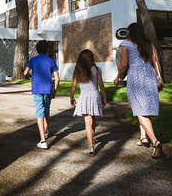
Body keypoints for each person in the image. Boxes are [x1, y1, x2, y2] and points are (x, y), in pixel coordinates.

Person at [113, 23, 163, 158]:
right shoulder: (149, 44)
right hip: (149, 76)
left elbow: (124, 64)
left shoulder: (126, 44)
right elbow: (156, 61)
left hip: (135, 77)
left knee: (140, 111)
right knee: (142, 109)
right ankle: (143, 138)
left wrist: (118, 77)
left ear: (130, 32)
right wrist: (159, 77)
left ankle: (156, 142)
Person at [70, 49, 107, 156]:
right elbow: (101, 85)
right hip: (95, 95)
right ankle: (92, 138)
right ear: (91, 58)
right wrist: (104, 98)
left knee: (88, 122)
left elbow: (74, 85)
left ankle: (91, 147)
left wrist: (71, 96)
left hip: (84, 96)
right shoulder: (96, 69)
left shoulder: (78, 69)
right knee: (93, 120)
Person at [23, 40, 60, 149]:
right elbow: (57, 79)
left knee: (40, 113)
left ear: (37, 50)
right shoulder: (51, 61)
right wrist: (55, 91)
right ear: (47, 50)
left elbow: (25, 73)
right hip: (48, 90)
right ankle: (45, 131)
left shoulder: (33, 60)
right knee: (46, 112)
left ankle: (43, 141)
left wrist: (32, 74)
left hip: (37, 90)